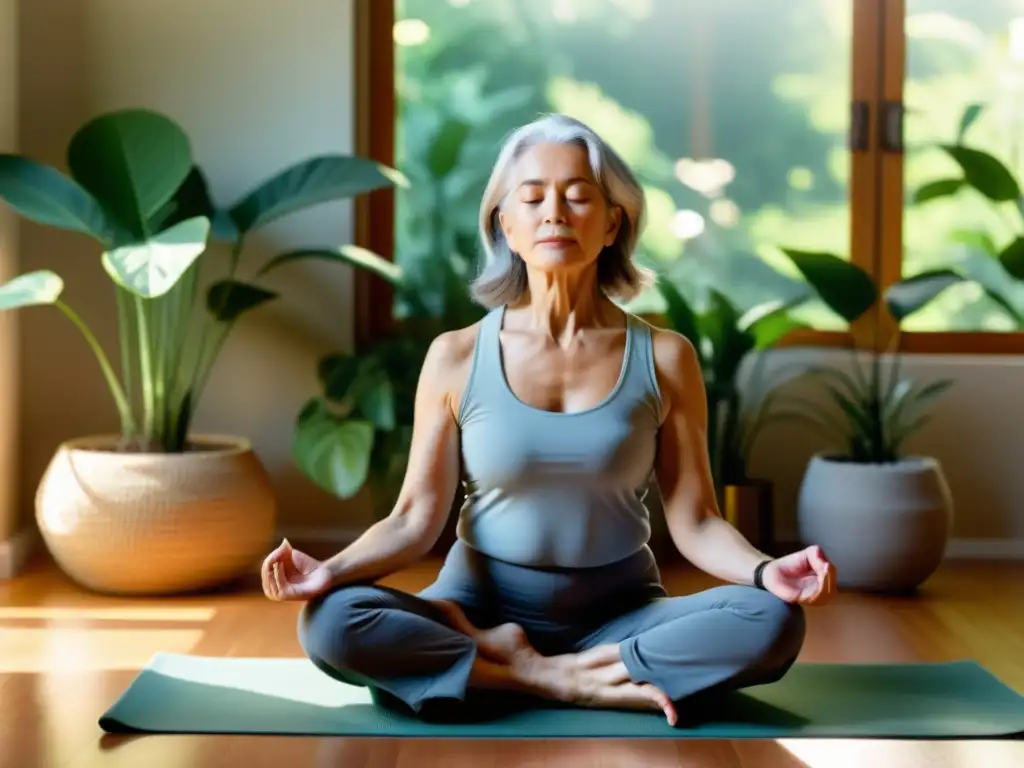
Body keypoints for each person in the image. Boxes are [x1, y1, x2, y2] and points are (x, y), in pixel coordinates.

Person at [260, 113, 836, 726]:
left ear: (613, 221)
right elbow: (413, 517)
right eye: (532, 198)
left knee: (771, 621)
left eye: (579, 196)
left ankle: (491, 674)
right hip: (476, 610)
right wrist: (329, 571)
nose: (554, 212)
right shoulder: (455, 356)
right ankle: (551, 677)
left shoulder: (667, 357)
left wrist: (765, 570)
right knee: (330, 623)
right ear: (505, 224)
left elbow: (695, 520)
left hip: (621, 615)